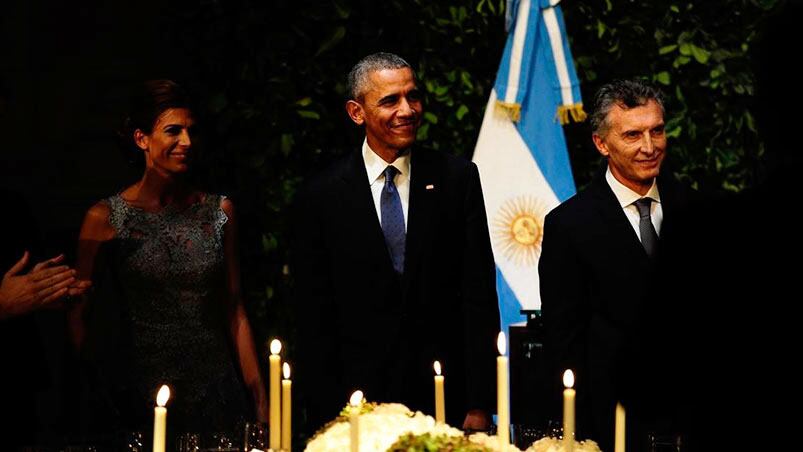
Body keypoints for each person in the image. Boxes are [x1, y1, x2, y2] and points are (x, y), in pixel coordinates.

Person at [292, 52, 500, 433]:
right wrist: (322, 414)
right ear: (357, 112)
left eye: (413, 96)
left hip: (444, 401)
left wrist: (480, 403)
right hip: (353, 407)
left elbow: (478, 296)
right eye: (390, 100)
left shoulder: (457, 179)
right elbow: (312, 315)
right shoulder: (320, 195)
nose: (407, 110)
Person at [68, 80, 267, 438]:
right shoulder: (105, 218)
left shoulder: (219, 211)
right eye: (173, 131)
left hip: (216, 394)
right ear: (142, 138)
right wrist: (100, 392)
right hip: (139, 399)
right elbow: (79, 315)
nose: (187, 143)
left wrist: (260, 398)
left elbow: (234, 309)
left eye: (191, 131)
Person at [538, 79, 695, 451]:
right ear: (601, 143)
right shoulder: (569, 225)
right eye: (632, 135)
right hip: (612, 426)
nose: (649, 147)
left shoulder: (694, 208)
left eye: (656, 131)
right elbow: (565, 341)